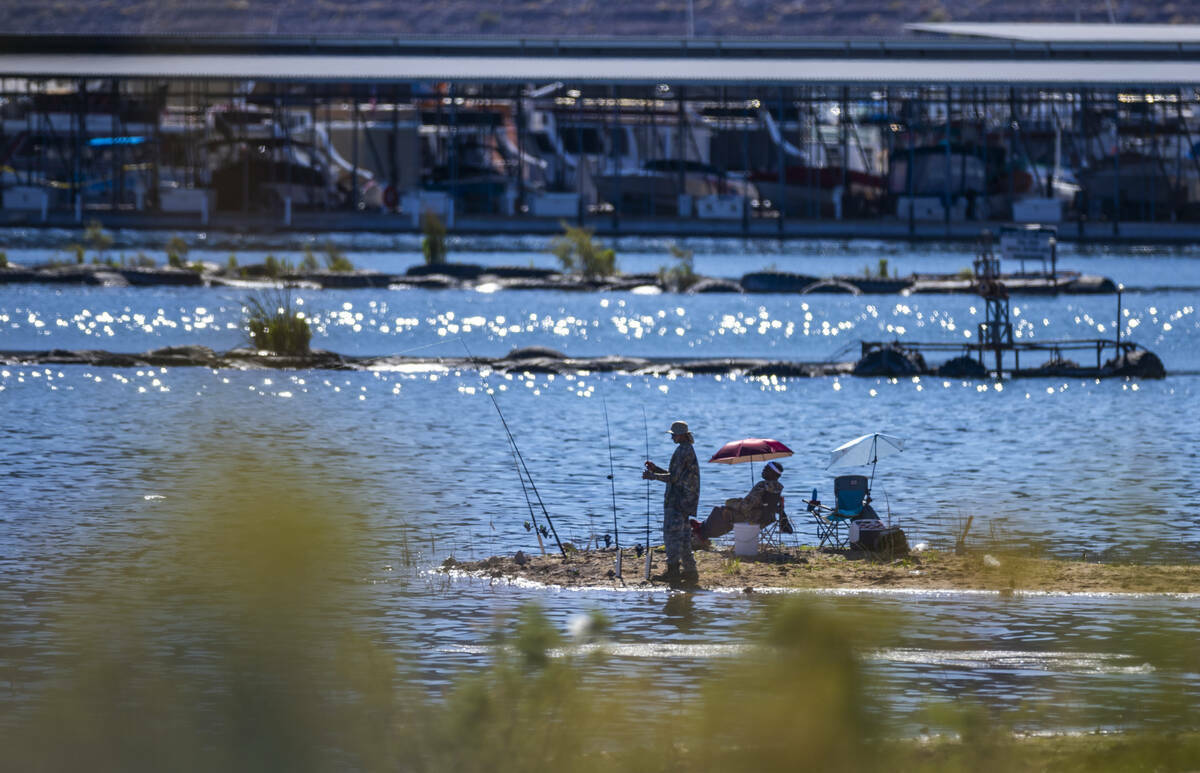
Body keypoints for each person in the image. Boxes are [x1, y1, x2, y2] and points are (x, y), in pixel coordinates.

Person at [643, 420, 699, 586]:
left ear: (681, 435)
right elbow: (675, 475)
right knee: (683, 538)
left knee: (672, 536)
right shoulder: (687, 449)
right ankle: (690, 573)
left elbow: (673, 478)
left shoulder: (682, 451)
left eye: (674, 434)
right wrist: (656, 469)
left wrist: (652, 476)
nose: (672, 437)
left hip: (677, 501)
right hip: (685, 501)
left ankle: (673, 572)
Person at [692, 461, 791, 543]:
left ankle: (702, 533)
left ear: (773, 473)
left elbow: (745, 507)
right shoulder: (777, 488)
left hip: (751, 518)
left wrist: (730, 503)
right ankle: (702, 527)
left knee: (719, 511)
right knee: (726, 512)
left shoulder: (762, 485)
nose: (763, 470)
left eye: (766, 469)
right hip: (765, 520)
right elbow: (766, 505)